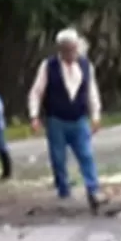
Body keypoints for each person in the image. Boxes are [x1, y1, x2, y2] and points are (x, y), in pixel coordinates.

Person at [29, 27, 103, 213]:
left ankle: (93, 190)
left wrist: (95, 115)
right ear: (60, 49)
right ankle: (63, 190)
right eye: (67, 49)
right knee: (58, 158)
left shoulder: (86, 65)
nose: (71, 53)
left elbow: (91, 92)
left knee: (86, 154)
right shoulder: (48, 66)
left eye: (74, 48)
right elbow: (37, 92)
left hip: (79, 119)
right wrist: (34, 116)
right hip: (56, 120)